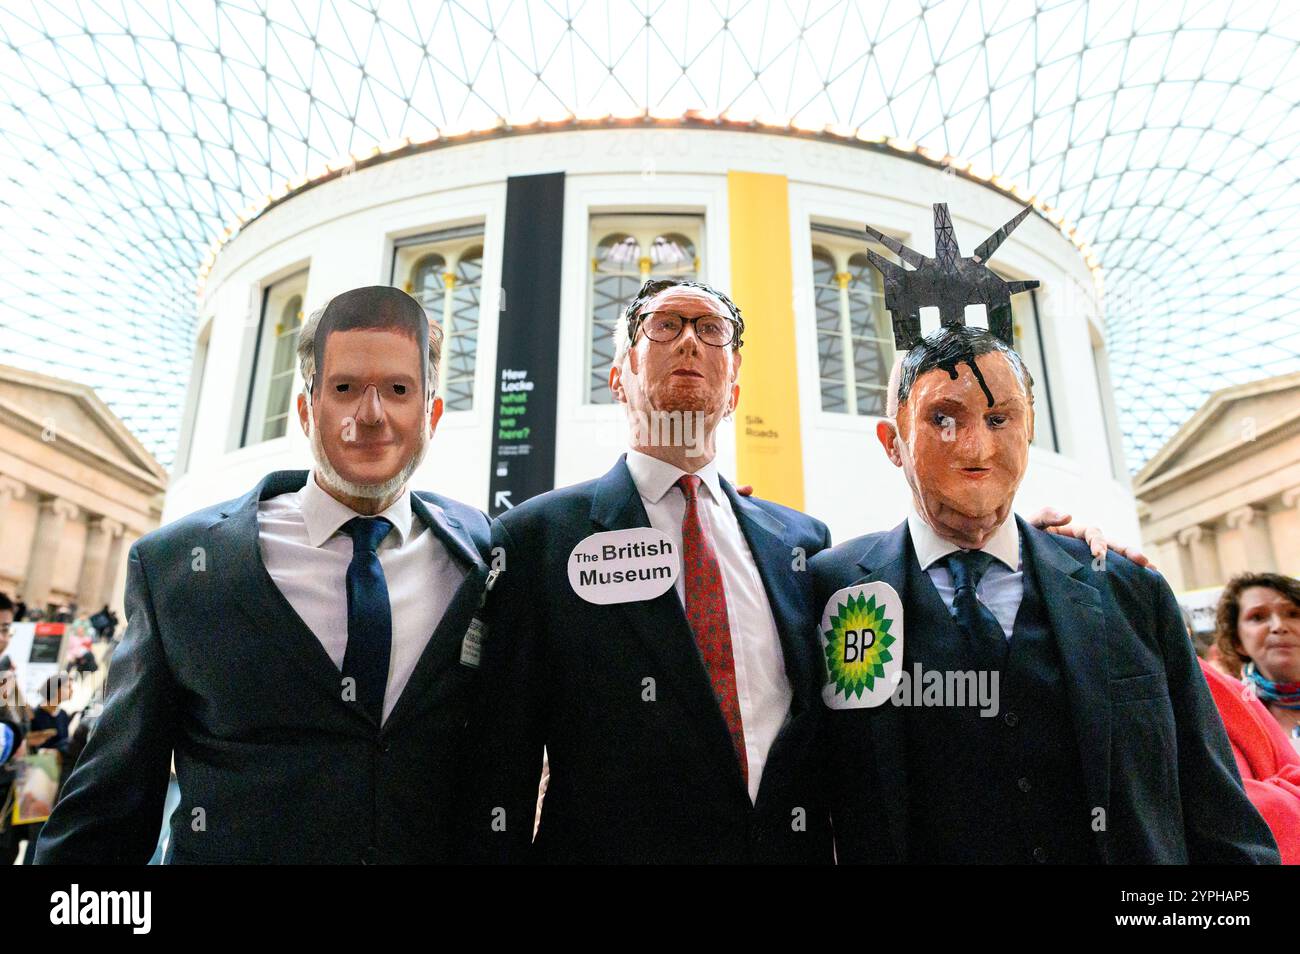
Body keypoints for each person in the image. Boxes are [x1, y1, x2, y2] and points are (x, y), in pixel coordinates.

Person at [463, 279, 1122, 864]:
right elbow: (499, 770)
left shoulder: (803, 549)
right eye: (665, 326)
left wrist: (1042, 549)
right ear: (619, 376)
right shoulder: (538, 539)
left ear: (735, 388)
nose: (690, 340)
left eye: (711, 330)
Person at [36, 285, 494, 864]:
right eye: (345, 388)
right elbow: (106, 813)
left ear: (430, 414)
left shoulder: (483, 554)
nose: (371, 415)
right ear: (306, 410)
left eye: (399, 390)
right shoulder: (179, 567)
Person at [814, 324, 1278, 863]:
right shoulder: (830, 589)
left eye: (998, 418)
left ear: (1028, 426)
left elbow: (1217, 810)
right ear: (893, 442)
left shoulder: (1129, 591)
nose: (976, 447)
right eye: (942, 418)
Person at [1199, 657, 1300, 863]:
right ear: (1238, 642)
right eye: (1257, 621)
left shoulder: (1229, 691)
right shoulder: (1226, 689)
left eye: (1294, 621)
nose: (1277, 627)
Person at [1213, 573, 1300, 744]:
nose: (1278, 626)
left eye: (1292, 613)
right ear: (1238, 641)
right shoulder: (1225, 717)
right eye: (1258, 617)